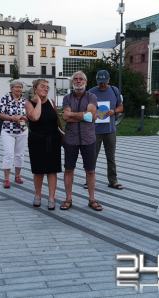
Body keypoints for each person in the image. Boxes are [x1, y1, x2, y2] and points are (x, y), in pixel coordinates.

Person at [61, 71, 102, 211]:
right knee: (68, 170)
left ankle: (92, 199)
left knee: (90, 170)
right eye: (75, 79)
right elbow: (65, 117)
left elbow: (90, 116)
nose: (78, 81)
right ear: (72, 82)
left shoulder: (92, 97)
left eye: (81, 79)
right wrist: (83, 115)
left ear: (86, 81)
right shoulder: (67, 98)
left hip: (88, 139)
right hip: (71, 139)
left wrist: (73, 115)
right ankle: (68, 199)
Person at [25, 79, 61, 210]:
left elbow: (57, 120)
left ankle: (51, 197)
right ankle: (38, 195)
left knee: (52, 170)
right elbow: (35, 117)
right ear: (35, 88)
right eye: (43, 86)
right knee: (39, 171)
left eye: (47, 87)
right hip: (37, 140)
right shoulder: (29, 103)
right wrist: (39, 101)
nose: (46, 89)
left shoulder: (51, 101)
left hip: (53, 140)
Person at [87, 69, 124, 190]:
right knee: (92, 157)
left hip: (110, 130)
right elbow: (85, 109)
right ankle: (89, 181)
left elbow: (121, 107)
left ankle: (113, 181)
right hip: (94, 131)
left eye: (104, 82)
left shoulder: (114, 90)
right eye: (99, 82)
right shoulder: (91, 92)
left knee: (111, 157)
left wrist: (114, 111)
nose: (101, 84)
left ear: (108, 80)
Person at [0, 80, 28, 188]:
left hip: (22, 130)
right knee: (9, 154)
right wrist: (12, 118)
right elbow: (0, 115)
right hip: (8, 130)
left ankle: (18, 176)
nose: (19, 89)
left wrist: (25, 118)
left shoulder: (25, 100)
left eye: (20, 87)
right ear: (11, 88)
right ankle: (6, 179)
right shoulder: (5, 99)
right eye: (16, 87)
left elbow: (29, 115)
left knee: (19, 155)